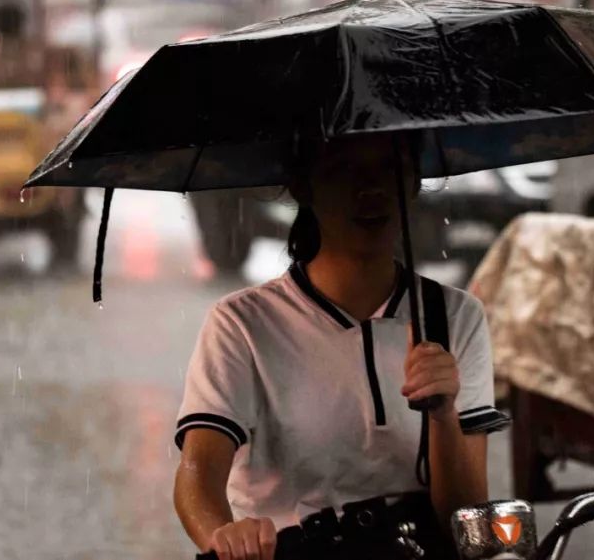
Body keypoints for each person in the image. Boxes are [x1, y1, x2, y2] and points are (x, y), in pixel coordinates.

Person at [173, 131, 510, 560]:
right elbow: (197, 474)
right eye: (345, 170)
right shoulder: (241, 325)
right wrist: (223, 536)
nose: (370, 189)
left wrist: (444, 414)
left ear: (413, 182)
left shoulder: (455, 317)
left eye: (389, 169)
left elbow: (466, 523)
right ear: (304, 185)